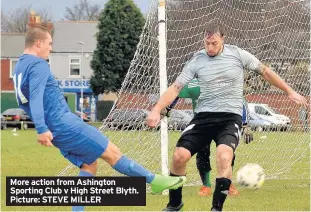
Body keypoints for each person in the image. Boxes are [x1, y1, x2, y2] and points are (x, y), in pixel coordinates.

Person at [12, 23, 186, 212]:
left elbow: (28, 101)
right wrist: (41, 128)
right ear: (38, 43)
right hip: (64, 125)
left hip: (58, 130)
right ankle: (154, 181)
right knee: (113, 153)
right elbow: (36, 98)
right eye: (49, 43)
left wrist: (45, 127)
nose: (51, 48)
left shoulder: (20, 66)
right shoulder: (38, 65)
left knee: (89, 165)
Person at [147, 23, 307, 212]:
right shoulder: (197, 60)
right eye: (207, 43)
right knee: (179, 156)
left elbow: (265, 71)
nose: (210, 47)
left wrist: (290, 92)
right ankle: (174, 204)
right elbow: (175, 88)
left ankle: (216, 208)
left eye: (214, 43)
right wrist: (157, 109)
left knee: (224, 156)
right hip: (204, 117)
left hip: (230, 118)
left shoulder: (238, 54)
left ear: (223, 38)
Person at [162, 78, 253, 197]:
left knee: (227, 154)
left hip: (224, 124)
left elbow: (240, 101)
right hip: (202, 124)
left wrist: (245, 125)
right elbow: (176, 92)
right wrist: (167, 108)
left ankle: (228, 184)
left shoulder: (224, 80)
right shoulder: (192, 83)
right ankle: (206, 185)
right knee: (202, 154)